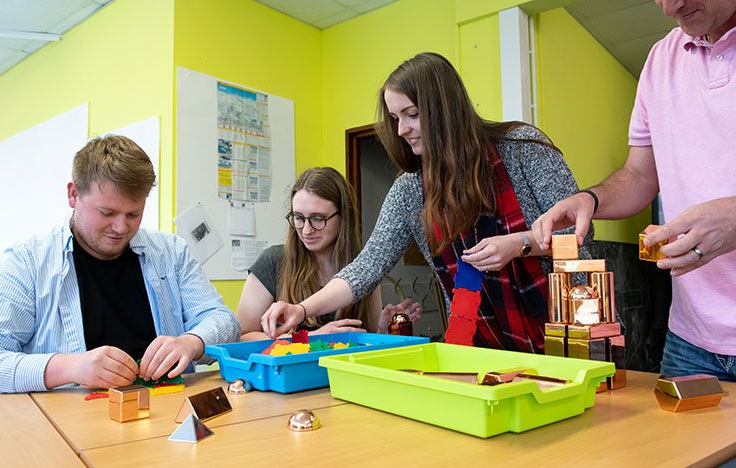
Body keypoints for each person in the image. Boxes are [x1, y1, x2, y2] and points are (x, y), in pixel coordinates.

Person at [260, 52, 590, 352]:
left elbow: (580, 234)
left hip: (567, 332)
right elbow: (369, 264)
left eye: (412, 114)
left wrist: (521, 243)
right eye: (394, 117)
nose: (401, 129)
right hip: (478, 347)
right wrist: (302, 309)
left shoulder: (523, 149)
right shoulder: (409, 191)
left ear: (444, 110)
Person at [532, 0, 736, 379]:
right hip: (690, 341)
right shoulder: (661, 59)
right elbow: (640, 176)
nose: (670, 6)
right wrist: (590, 198)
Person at [0, 135, 239, 393]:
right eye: (107, 213)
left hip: (165, 409)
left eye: (134, 214)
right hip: (71, 422)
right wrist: (68, 367)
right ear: (74, 195)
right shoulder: (25, 263)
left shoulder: (171, 252)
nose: (121, 228)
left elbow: (224, 321)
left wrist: (192, 342)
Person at [237, 167, 421, 340]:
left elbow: (366, 337)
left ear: (343, 217)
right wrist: (309, 339)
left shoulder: (364, 267)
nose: (306, 230)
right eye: (299, 218)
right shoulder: (272, 261)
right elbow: (241, 337)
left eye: (318, 219)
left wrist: (383, 329)